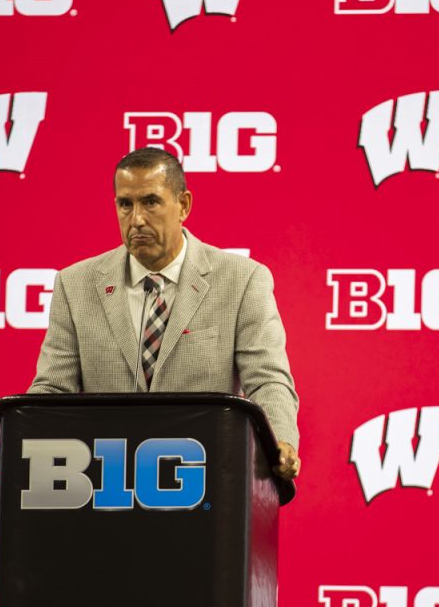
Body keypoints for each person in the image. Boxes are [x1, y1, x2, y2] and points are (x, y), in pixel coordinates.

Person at [26, 148, 301, 480]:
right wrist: (21, 440)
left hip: (205, 479)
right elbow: (53, 389)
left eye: (151, 202)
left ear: (183, 205)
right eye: (125, 204)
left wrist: (280, 441)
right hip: (106, 485)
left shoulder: (242, 280)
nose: (137, 219)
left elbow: (267, 380)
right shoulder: (75, 285)